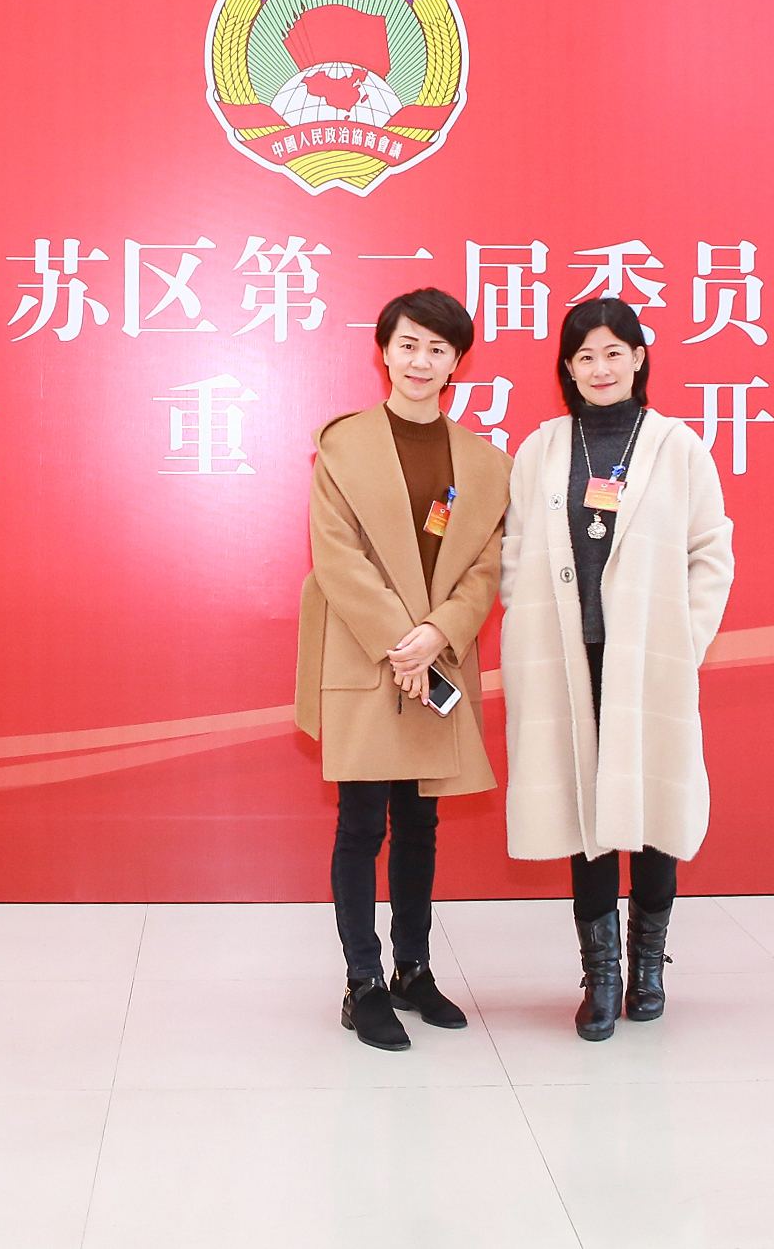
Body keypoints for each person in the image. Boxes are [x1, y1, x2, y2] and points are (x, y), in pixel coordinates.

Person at [499, 297, 735, 1040]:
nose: (599, 368)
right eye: (584, 356)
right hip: (570, 656)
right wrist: (525, 615)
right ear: (567, 369)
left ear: (638, 357)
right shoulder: (542, 448)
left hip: (649, 660)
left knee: (656, 806)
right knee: (587, 815)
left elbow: (711, 552)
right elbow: (514, 552)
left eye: (612, 352)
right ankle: (600, 974)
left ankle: (649, 965)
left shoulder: (677, 447)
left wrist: (683, 642)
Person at [296, 287, 511, 1051]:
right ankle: (362, 982)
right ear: (384, 350)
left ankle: (411, 970)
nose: (421, 360)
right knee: (361, 824)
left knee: (420, 823)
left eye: (438, 348)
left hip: (436, 657)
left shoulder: (485, 463)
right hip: (368, 654)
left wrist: (437, 633)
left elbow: (485, 566)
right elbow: (337, 557)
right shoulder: (343, 445)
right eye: (408, 344)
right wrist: (402, 641)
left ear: (457, 362)